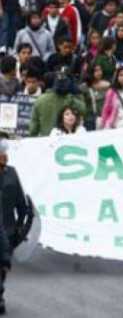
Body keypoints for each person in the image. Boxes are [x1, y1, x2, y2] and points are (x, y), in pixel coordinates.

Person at [0, 138, 26, 315]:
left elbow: (20, 201)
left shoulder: (11, 173)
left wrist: (21, 225)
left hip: (7, 228)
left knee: (2, 265)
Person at [29, 72, 86, 137]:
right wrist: (75, 91)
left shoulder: (39, 100)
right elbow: (83, 110)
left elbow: (33, 129)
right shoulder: (68, 99)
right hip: (64, 141)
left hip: (45, 141)